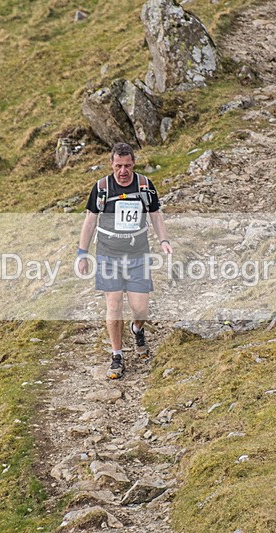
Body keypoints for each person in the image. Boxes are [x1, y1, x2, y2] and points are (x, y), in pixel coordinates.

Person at [77, 142, 173, 379]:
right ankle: (117, 355)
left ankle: (137, 329)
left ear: (133, 164)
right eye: (118, 166)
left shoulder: (144, 185)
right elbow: (90, 220)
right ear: (111, 164)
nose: (123, 171)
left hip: (138, 254)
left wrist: (163, 241)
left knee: (141, 309)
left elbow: (155, 214)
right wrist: (82, 253)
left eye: (127, 166)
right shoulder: (101, 188)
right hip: (108, 254)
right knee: (114, 305)